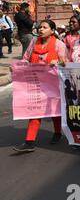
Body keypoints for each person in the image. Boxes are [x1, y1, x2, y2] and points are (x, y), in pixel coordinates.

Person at [13, 19, 68, 153]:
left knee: (54, 111)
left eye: (44, 27)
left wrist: (59, 62)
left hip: (53, 84)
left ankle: (57, 133)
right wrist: (18, 67)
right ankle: (29, 141)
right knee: (35, 111)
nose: (41, 30)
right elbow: (26, 58)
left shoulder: (59, 45)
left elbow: (66, 63)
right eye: (39, 27)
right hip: (36, 84)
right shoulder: (33, 42)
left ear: (52, 30)